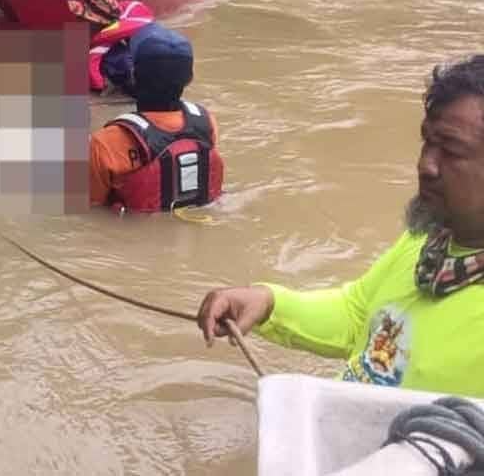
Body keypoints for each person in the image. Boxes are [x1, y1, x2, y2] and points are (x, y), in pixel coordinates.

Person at [197, 55, 484, 396]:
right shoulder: (426, 241)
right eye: (427, 142)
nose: (425, 165)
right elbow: (357, 313)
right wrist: (269, 303)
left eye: (450, 150)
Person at [89, 26, 224, 213]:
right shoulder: (208, 123)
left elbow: (91, 209)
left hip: (132, 238)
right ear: (190, 78)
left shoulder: (106, 142)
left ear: (133, 75)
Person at [67, 0, 155, 95]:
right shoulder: (134, 8)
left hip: (131, 66)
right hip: (150, 50)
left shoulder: (103, 38)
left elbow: (91, 65)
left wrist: (99, 86)